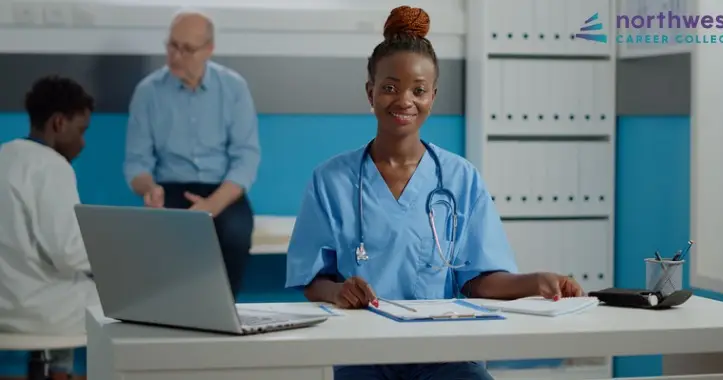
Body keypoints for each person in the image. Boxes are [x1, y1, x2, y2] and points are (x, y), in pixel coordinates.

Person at [285, 6, 584, 380]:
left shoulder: (461, 179)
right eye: (390, 87)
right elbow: (312, 280)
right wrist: (338, 292)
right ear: (370, 92)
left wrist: (535, 280)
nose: (404, 100)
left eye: (419, 90)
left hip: (448, 352)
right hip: (364, 352)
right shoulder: (331, 180)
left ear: (433, 96)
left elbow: (477, 280)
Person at [124, 10, 260, 298]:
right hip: (170, 187)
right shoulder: (148, 92)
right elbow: (137, 162)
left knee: (235, 234)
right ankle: (175, 316)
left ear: (209, 50)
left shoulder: (234, 88)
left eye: (187, 49)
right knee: (167, 242)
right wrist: (148, 188)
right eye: (172, 45)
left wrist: (212, 205)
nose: (175, 56)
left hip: (222, 189)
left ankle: (224, 309)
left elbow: (246, 158)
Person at [0, 75, 97, 380]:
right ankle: (60, 373)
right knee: (118, 294)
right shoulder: (52, 167)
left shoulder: (5, 155)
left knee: (73, 284)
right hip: (37, 314)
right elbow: (69, 253)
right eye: (81, 131)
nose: (82, 143)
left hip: (5, 305)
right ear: (58, 123)